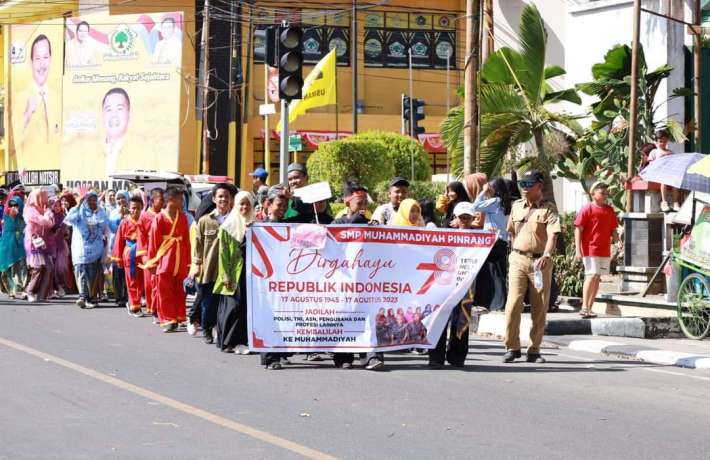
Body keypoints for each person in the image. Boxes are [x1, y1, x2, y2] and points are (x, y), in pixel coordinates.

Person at [502, 170, 561, 364]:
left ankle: (534, 349)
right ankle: (512, 346)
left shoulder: (549, 209)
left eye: (529, 184)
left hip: (539, 263)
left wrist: (546, 254)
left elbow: (553, 235)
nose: (524, 188)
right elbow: (512, 232)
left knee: (539, 306)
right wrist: (514, 254)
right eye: (523, 184)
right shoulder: (517, 206)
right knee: (513, 304)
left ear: (539, 186)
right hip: (518, 259)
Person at [430, 202, 477, 368]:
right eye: (462, 217)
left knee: (462, 318)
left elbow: (494, 256)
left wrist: (494, 238)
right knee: (440, 317)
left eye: (468, 217)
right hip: (443, 281)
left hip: (466, 284)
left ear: (473, 218)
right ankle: (436, 357)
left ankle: (457, 356)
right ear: (455, 217)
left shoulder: (479, 237)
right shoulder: (444, 233)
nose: (465, 220)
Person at [190, 183, 236, 344]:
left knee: (226, 303)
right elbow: (198, 245)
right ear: (214, 199)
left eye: (226, 196)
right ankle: (206, 328)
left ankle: (221, 329)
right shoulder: (205, 221)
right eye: (220, 196)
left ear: (231, 199)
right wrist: (197, 265)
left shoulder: (235, 220)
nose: (223, 199)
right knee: (208, 303)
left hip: (229, 270)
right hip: (209, 268)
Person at [143, 187, 191, 332]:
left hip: (180, 259)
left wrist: (189, 262)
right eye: (180, 199)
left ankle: (178, 316)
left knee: (180, 290)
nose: (182, 202)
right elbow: (153, 243)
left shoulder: (182, 217)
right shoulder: (159, 218)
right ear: (171, 200)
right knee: (164, 291)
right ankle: (167, 319)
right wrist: (152, 263)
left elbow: (186, 241)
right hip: (165, 260)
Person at [215, 191, 255, 354]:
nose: (245, 207)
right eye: (241, 204)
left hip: (250, 273)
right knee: (232, 307)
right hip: (233, 272)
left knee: (245, 308)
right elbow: (223, 253)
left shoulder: (255, 225)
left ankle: (241, 341)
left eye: (248, 204)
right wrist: (225, 275)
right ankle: (228, 342)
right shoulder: (227, 227)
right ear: (236, 205)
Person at [575, 182, 621, 319]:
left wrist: (617, 241)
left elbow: (613, 229)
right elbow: (578, 229)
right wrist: (578, 250)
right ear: (593, 193)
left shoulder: (609, 210)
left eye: (606, 193)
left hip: (604, 249)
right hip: (590, 249)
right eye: (602, 192)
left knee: (597, 277)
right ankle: (584, 307)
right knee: (591, 275)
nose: (605, 195)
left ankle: (590, 308)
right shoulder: (587, 209)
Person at [261, 186, 293, 369]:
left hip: (285, 282)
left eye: (285, 206)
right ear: (269, 204)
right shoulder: (259, 227)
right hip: (266, 282)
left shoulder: (289, 226)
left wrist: (293, 198)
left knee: (283, 318)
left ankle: (281, 353)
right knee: (268, 318)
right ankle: (269, 357)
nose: (282, 209)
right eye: (279, 205)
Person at [471, 177, 513, 311]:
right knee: (499, 273)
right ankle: (500, 302)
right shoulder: (505, 203)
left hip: (493, 240)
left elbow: (474, 207)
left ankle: (493, 302)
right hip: (502, 240)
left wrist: (483, 192)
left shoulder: (495, 201)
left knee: (491, 272)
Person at [65, 191, 110, 308]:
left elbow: (105, 225)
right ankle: (82, 297)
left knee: (92, 273)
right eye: (89, 199)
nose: (92, 202)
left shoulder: (101, 211)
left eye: (94, 199)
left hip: (95, 249)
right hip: (80, 249)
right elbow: (69, 220)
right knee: (80, 271)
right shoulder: (78, 210)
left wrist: (96, 215)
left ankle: (91, 298)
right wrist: (78, 205)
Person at [111, 196, 145, 317]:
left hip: (142, 253)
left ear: (142, 208)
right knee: (132, 280)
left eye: (138, 208)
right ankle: (134, 306)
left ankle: (135, 302)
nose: (135, 211)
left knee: (141, 280)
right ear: (129, 208)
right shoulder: (124, 222)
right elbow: (119, 241)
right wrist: (118, 259)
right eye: (133, 208)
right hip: (130, 253)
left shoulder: (145, 221)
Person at [23, 188, 55, 302]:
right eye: (43, 195)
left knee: (49, 268)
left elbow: (51, 223)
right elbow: (44, 221)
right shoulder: (30, 209)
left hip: (44, 242)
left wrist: (47, 213)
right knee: (38, 267)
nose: (45, 198)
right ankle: (29, 291)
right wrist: (47, 214)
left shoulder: (45, 209)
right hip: (33, 241)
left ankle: (42, 295)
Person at [137, 188, 165, 319]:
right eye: (161, 199)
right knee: (150, 283)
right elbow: (141, 237)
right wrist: (144, 255)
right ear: (152, 201)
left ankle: (162, 309)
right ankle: (153, 309)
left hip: (164, 254)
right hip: (150, 254)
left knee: (163, 283)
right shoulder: (144, 217)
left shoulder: (166, 215)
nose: (164, 202)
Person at [0, 196, 27, 299]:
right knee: (7, 268)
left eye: (16, 205)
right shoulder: (6, 217)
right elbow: (6, 231)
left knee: (21, 267)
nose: (13, 207)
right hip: (7, 245)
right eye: (11, 205)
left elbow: (24, 230)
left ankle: (22, 288)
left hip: (20, 245)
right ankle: (11, 290)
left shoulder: (23, 218)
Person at [647, 129, 680, 212]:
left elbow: (674, 164)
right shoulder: (654, 152)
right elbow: (651, 164)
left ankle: (675, 202)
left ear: (667, 141)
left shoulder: (670, 152)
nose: (662, 143)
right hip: (658, 173)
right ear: (656, 142)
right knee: (664, 181)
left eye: (664, 141)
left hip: (668, 173)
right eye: (660, 141)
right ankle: (664, 202)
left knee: (675, 182)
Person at [47, 196, 69, 298]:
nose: (57, 207)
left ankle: (59, 287)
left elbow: (66, 230)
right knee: (51, 267)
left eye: (59, 205)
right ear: (50, 205)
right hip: (50, 245)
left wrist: (65, 232)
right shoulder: (48, 215)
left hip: (60, 245)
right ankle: (51, 289)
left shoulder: (62, 216)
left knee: (60, 268)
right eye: (55, 205)